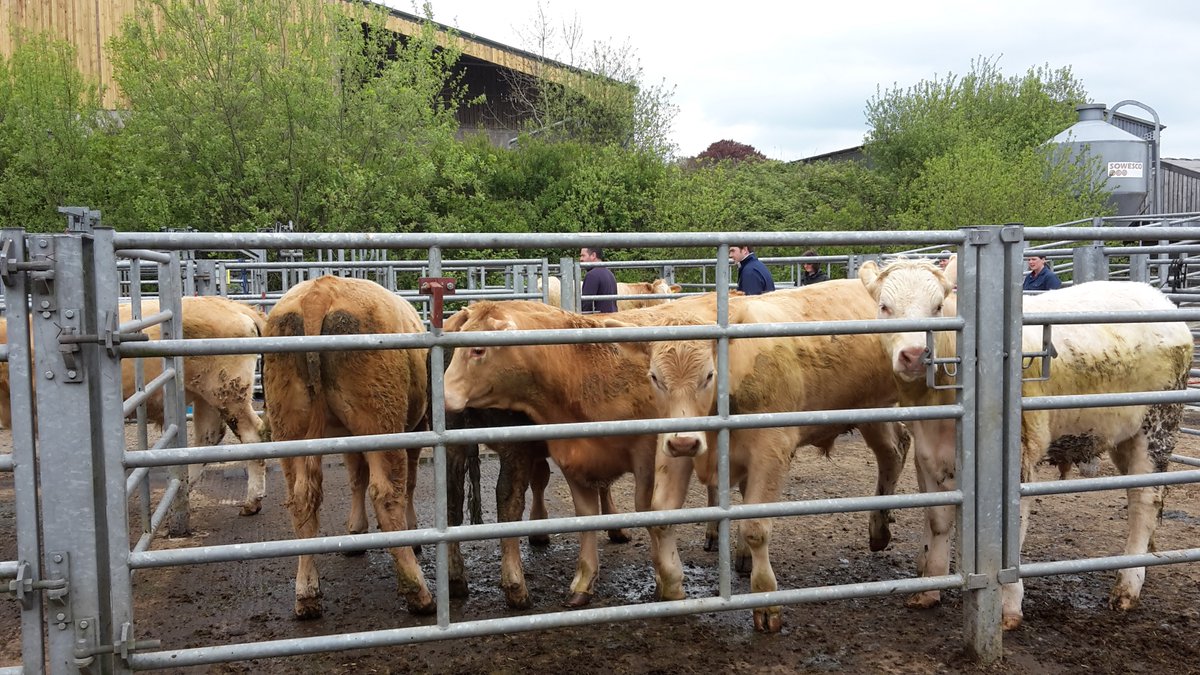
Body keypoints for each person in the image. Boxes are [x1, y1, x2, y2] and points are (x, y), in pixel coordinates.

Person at [579, 247, 618, 313]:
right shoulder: (609, 273)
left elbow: (586, 304)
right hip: (612, 318)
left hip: (599, 319)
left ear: (593, 255)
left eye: (583, 256)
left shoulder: (592, 275)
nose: (581, 259)